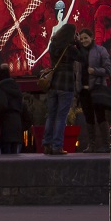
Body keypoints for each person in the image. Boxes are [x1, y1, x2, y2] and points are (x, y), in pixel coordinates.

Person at [42, 23, 80, 154]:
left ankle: (47, 144)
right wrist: (78, 43)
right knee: (61, 117)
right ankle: (57, 146)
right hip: (66, 85)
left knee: (51, 115)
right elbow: (82, 58)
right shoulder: (71, 49)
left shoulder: (53, 46)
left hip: (53, 84)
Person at [76, 28, 111, 153]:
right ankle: (91, 145)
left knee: (101, 116)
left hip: (97, 88)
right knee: (88, 117)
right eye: (81, 39)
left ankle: (107, 145)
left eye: (86, 37)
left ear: (92, 37)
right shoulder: (79, 53)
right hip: (83, 91)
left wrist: (95, 71)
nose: (84, 40)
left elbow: (107, 69)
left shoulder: (100, 50)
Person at [0, 63, 26, 154]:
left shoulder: (1, 88)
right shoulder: (16, 88)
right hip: (17, 123)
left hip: (5, 124)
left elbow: (2, 106)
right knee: (14, 154)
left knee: (5, 155)